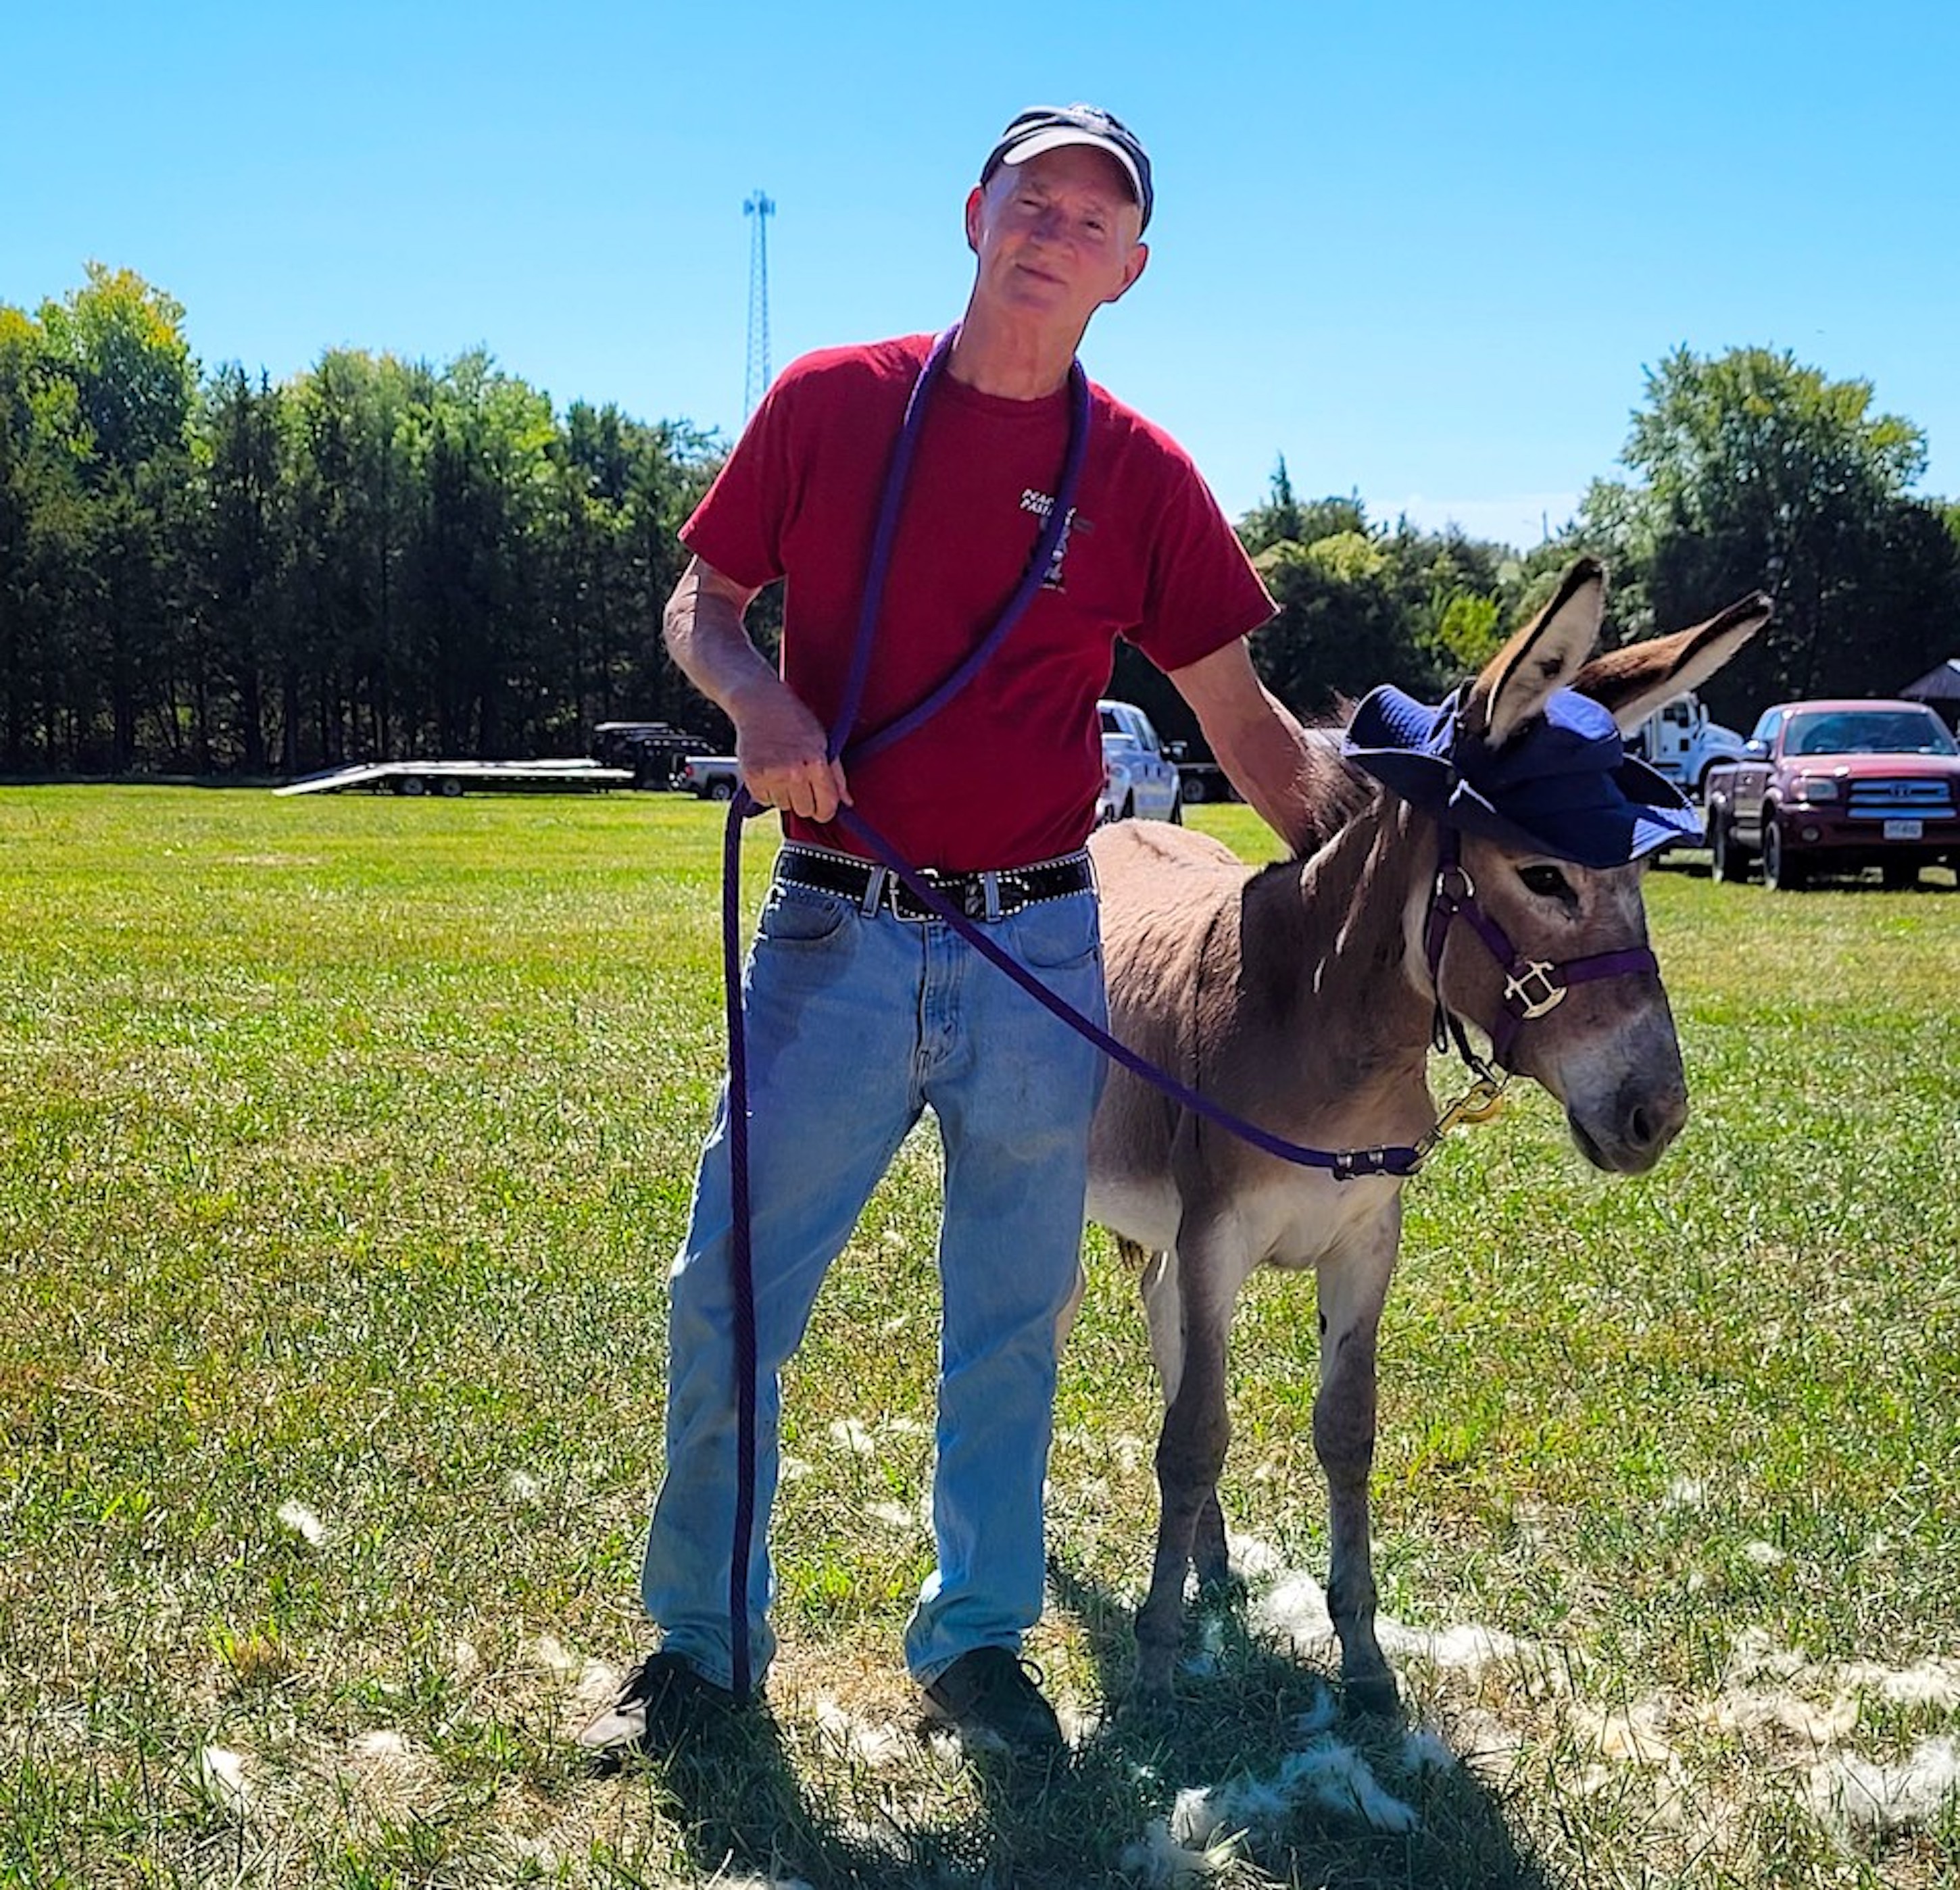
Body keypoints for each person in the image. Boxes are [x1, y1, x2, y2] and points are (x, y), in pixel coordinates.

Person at [583, 102, 1322, 1766]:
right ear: (972, 211)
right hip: (833, 936)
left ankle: (978, 1637)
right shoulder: (830, 403)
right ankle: (701, 1645)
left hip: (1040, 954)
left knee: (1012, 1313)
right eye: (1031, 197)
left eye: (1092, 218)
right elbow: (699, 603)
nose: (1053, 231)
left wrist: (1387, 906)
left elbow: (1252, 731)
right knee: (733, 1293)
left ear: (1128, 272)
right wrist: (759, 693)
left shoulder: (1141, 475)